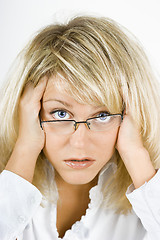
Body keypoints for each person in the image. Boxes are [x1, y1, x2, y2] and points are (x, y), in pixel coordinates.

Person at [0, 15, 160, 240]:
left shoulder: (149, 195)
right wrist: (25, 147)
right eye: (61, 114)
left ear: (130, 115)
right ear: (31, 112)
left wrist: (136, 155)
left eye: (102, 115)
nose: (79, 143)